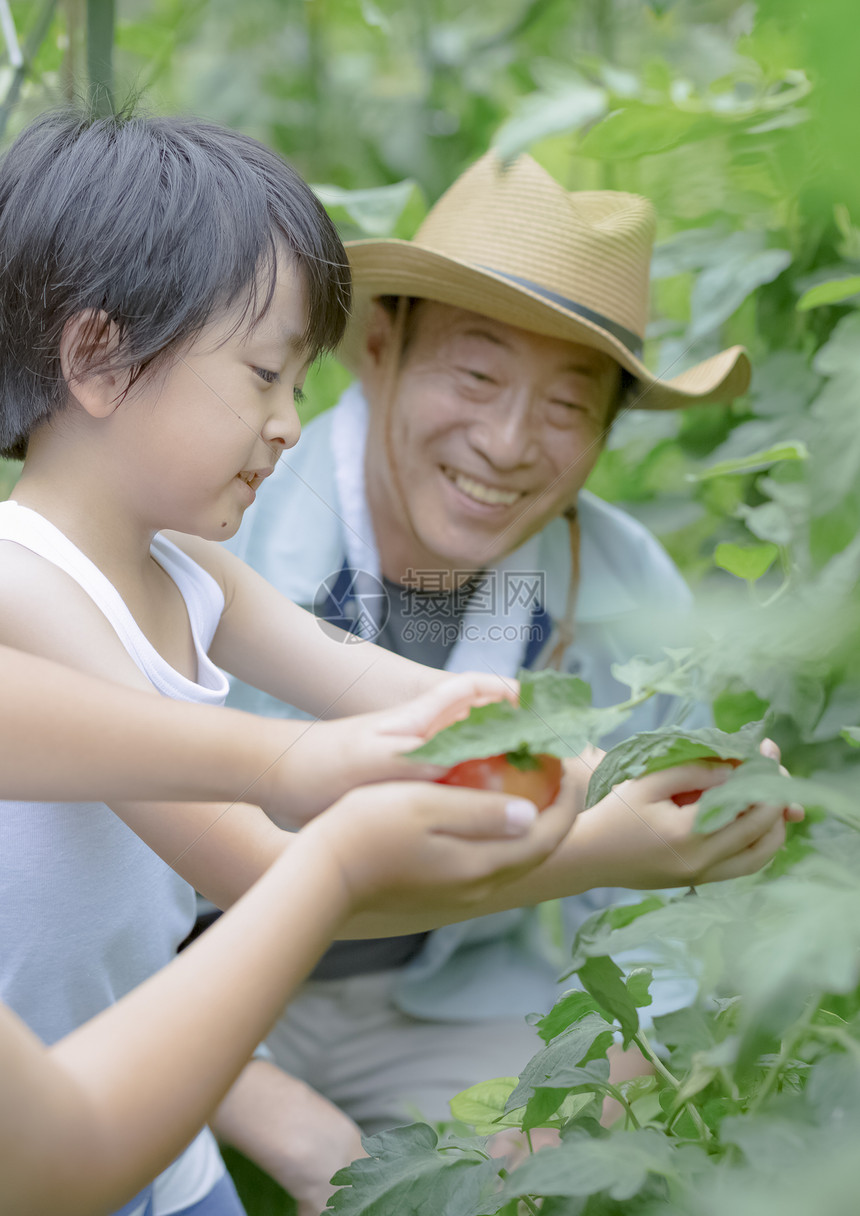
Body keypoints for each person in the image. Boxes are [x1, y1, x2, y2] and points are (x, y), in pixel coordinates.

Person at [0, 109, 786, 1216]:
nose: (285, 424)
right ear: (96, 358)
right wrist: (602, 843)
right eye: (265, 376)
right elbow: (264, 870)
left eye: (567, 406)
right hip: (62, 1119)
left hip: (160, 1151)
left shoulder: (192, 571)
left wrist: (623, 755)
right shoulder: (25, 585)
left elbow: (390, 692)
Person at [225, 148, 788, 1163]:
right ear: (379, 348)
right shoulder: (233, 510)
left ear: (608, 430)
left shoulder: (621, 585)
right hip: (196, 972)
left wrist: (577, 1118)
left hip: (435, 1003)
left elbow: (654, 936)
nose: (509, 440)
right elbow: (100, 872)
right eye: (476, 374)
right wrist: (268, 1107)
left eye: (567, 406)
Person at [0, 644, 570, 1216]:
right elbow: (55, 1166)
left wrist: (307, 763)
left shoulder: (195, 575)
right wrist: (338, 864)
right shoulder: (41, 589)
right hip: (93, 1134)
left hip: (169, 1159)